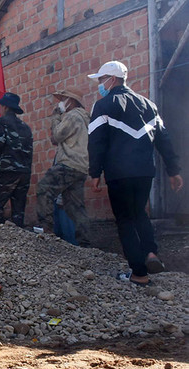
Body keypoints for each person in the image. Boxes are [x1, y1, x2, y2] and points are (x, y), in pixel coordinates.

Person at [87, 61, 183, 285]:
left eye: (101, 80)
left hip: (118, 172)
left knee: (125, 219)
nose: (100, 84)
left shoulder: (103, 106)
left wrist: (95, 172)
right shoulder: (149, 105)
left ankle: (139, 274)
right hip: (144, 171)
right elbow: (164, 140)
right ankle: (150, 252)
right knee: (139, 212)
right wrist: (173, 170)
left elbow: (97, 142)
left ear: (112, 79)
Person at [36, 88, 91, 246]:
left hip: (68, 164)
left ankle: (46, 230)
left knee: (44, 188)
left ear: (72, 101)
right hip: (81, 167)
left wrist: (55, 117)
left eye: (63, 99)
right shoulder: (86, 118)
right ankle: (85, 244)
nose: (60, 102)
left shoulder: (73, 115)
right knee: (75, 206)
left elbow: (57, 136)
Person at [0, 92, 33, 227]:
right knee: (18, 210)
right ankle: (19, 240)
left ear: (4, 107)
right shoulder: (26, 127)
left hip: (8, 170)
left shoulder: (1, 121)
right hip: (25, 172)